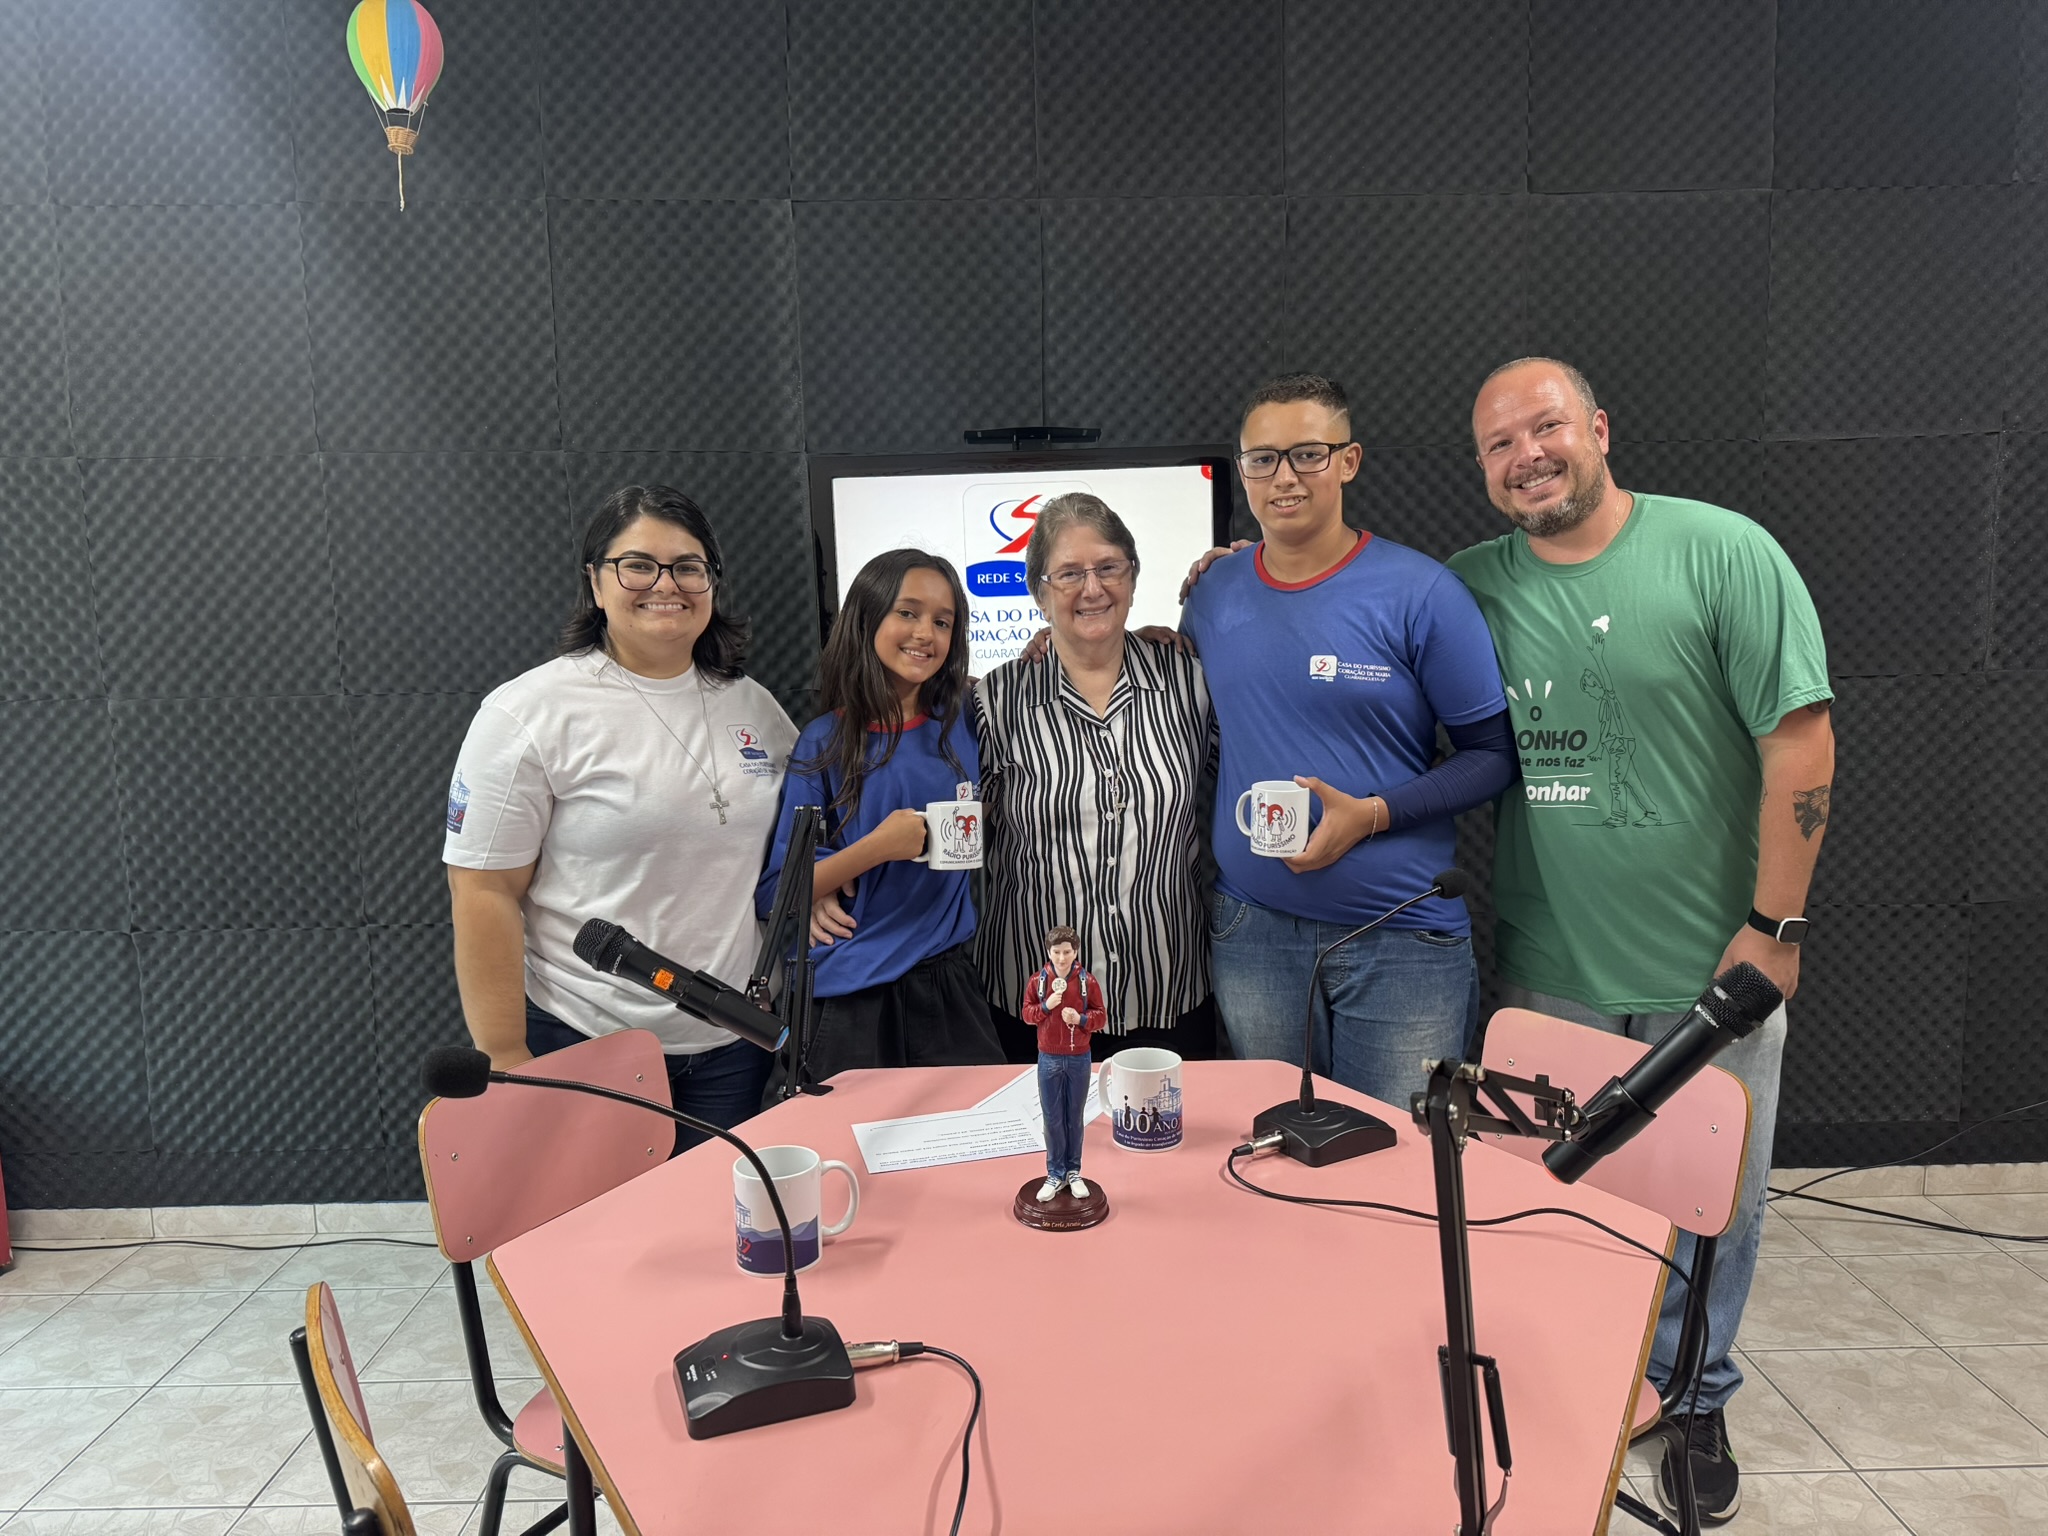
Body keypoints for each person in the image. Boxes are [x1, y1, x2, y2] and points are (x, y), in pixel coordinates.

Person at [1448, 356, 1833, 1526]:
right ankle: (1581, 1380)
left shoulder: (1721, 552)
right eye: (1499, 444)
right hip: (1545, 963)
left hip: (1710, 969)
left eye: (1545, 427)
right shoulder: (1466, 588)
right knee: (1556, 1192)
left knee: (1714, 1206)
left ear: (1599, 429)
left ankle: (1693, 1393)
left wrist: (1773, 927)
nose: (1526, 456)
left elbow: (1799, 741)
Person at [1178, 374, 1517, 1108]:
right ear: (1243, 471)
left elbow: (1493, 756)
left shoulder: (1422, 593)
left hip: (1401, 939)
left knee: (1397, 1159)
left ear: (1349, 461)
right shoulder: (1211, 594)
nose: (1285, 477)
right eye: (1263, 459)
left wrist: (1370, 816)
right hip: (1254, 934)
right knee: (1276, 1147)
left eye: (1308, 454)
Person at [443, 485, 794, 1150]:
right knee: (606, 1218)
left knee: (717, 1213)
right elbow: (482, 889)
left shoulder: (754, 706)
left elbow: (795, 849)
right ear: (596, 582)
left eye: (687, 567)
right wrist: (506, 1053)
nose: (666, 585)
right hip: (588, 1039)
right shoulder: (528, 713)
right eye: (638, 565)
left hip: (734, 1043)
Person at [972, 492, 1217, 1066]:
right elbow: (948, 831)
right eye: (1069, 574)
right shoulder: (995, 701)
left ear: (1132, 575)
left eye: (1109, 567)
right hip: (1033, 1004)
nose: (1092, 588)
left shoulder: (1192, 683)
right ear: (1038, 592)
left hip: (1167, 992)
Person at [759, 549, 1005, 1082]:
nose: (925, 633)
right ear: (868, 616)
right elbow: (778, 895)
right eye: (908, 612)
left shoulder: (967, 718)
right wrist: (873, 849)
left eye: (943, 621)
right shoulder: (824, 742)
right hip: (849, 992)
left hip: (946, 985)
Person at [1021, 926, 1106, 1202]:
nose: (1061, 958)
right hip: (1048, 1057)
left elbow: (1101, 1016)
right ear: (1048, 952)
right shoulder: (1038, 982)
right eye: (1056, 952)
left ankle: (1073, 1171)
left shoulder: (1086, 982)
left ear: (1076, 951)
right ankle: (1055, 1173)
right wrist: (1046, 1006)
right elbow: (1027, 1014)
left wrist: (1080, 1019)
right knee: (1052, 1118)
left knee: (1074, 1117)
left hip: (1079, 1057)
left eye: (1067, 952)